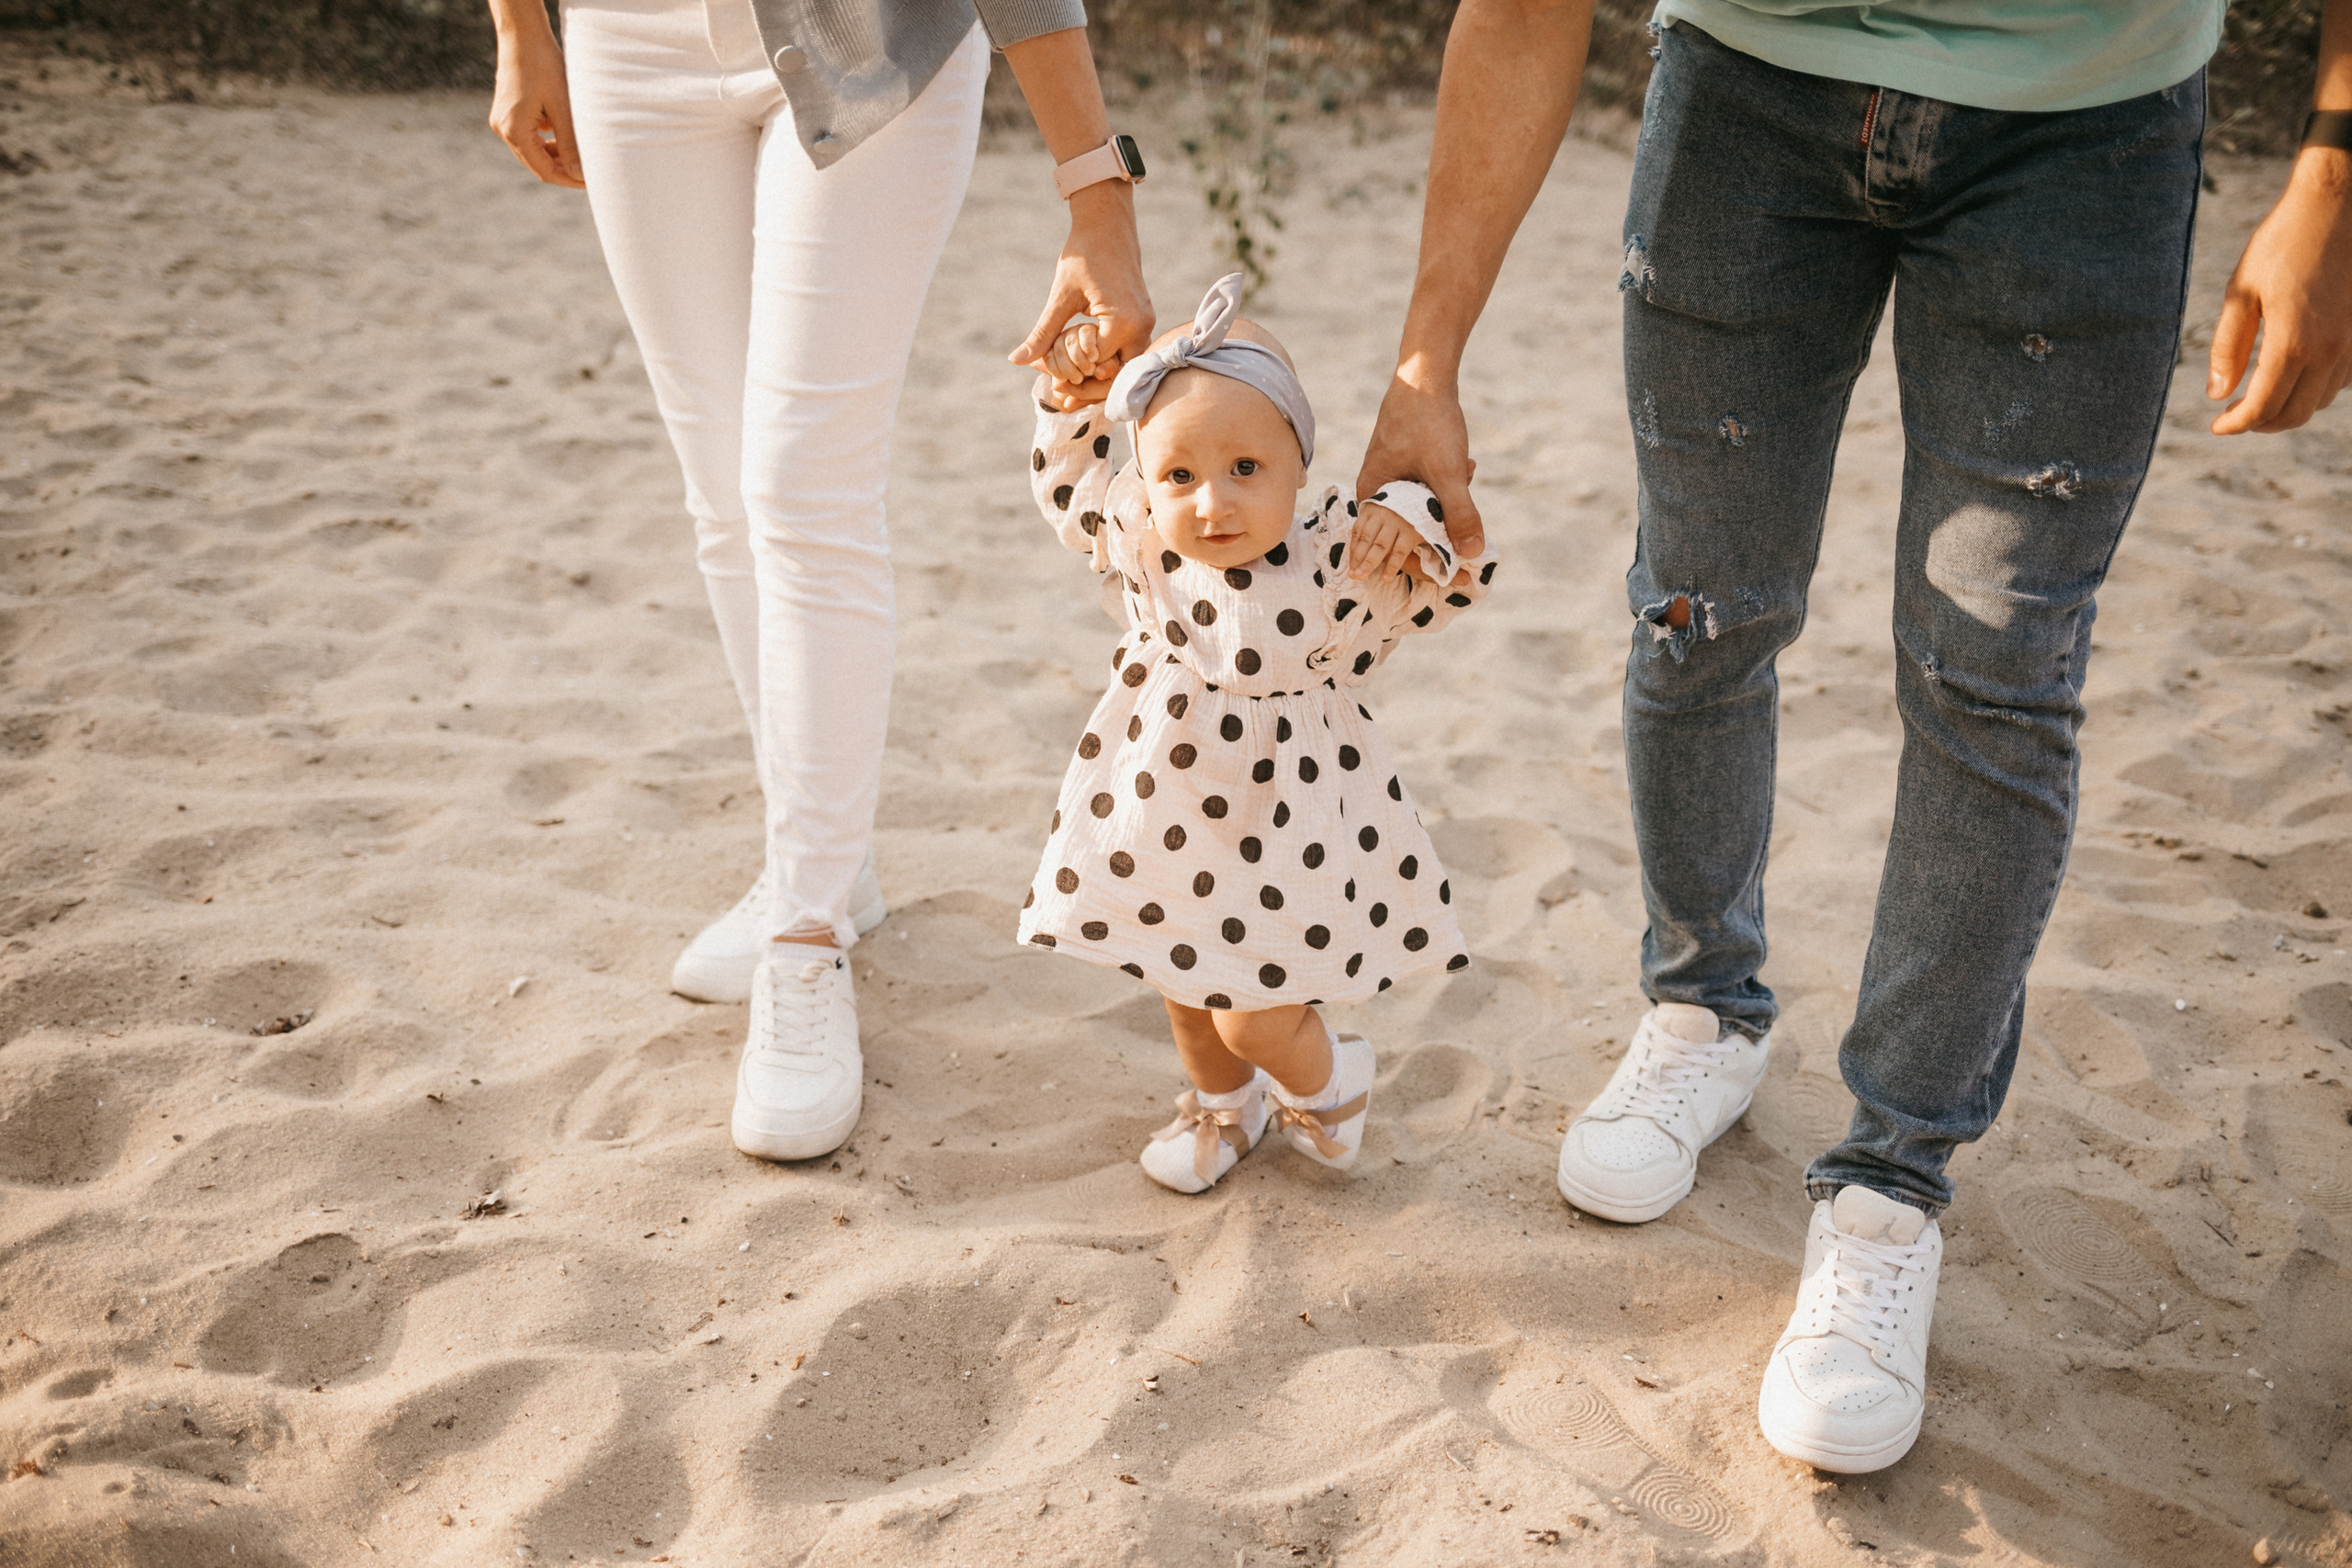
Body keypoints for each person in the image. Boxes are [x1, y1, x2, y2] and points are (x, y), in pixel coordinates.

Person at [1360, 0, 2352, 1473]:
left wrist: (2335, 162)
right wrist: (1426, 361)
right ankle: (1704, 1010)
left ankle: (1890, 1182)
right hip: (1747, 99)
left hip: (2083, 122)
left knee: (1994, 675)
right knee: (1695, 607)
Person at [483, 0, 1156, 1161]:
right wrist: (519, 31)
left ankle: (803, 942)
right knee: (722, 486)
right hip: (621, 42)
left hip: (872, 40)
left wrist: (1094, 189)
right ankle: (830, 869)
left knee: (805, 487)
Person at [1020, 275, 1494, 1193]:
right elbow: (1068, 484)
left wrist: (1412, 521)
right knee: (1183, 982)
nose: (1211, 504)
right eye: (1179, 476)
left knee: (1251, 1010)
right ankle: (1223, 1112)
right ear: (1147, 483)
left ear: (1297, 463)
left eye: (1245, 470)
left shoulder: (1331, 558)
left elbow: (1449, 583)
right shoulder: (1143, 539)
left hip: (1289, 822)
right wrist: (1065, 399)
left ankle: (1332, 1083)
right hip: (1170, 803)